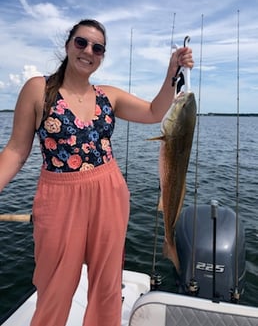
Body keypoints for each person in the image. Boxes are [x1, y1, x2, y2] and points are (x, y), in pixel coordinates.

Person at [0, 19, 194, 326]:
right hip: (58, 197)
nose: (88, 50)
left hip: (109, 191)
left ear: (102, 56)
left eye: (98, 47)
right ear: (68, 45)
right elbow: (15, 150)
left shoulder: (109, 96)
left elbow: (156, 112)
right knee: (54, 287)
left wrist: (173, 71)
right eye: (81, 42)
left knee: (107, 287)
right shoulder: (39, 89)